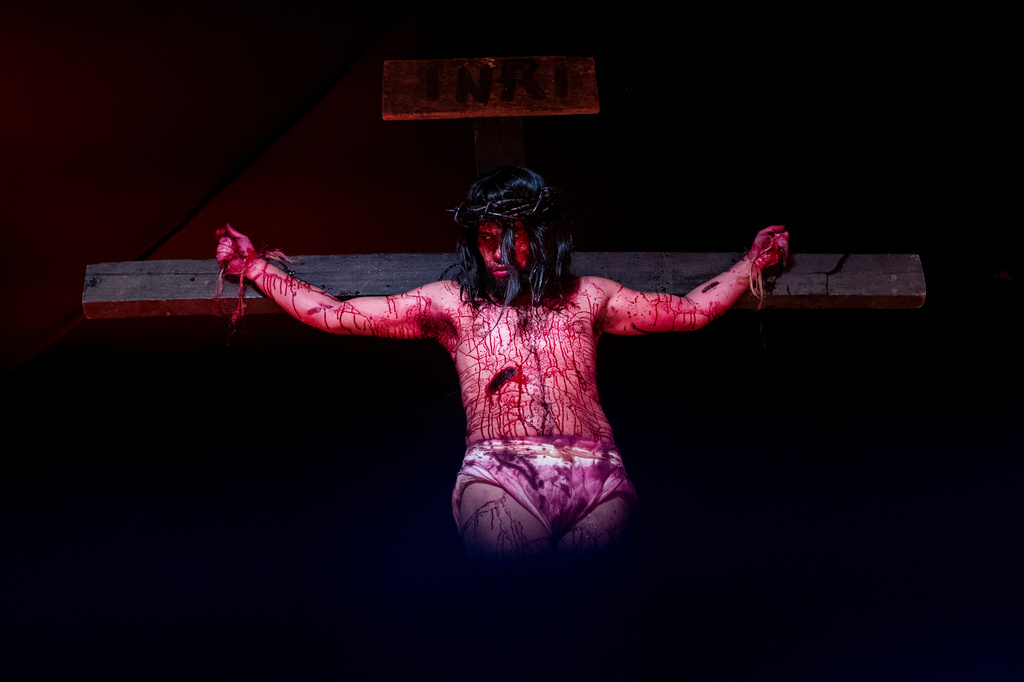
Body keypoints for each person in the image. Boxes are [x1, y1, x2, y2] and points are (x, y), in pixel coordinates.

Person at [216, 167, 788, 565]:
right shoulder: (451, 304)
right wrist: (257, 268)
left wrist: (753, 261)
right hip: (500, 473)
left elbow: (689, 312)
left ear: (539, 237)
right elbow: (335, 316)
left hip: (599, 474)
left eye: (509, 238)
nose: (494, 253)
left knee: (593, 625)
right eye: (484, 239)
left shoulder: (590, 295)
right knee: (520, 618)